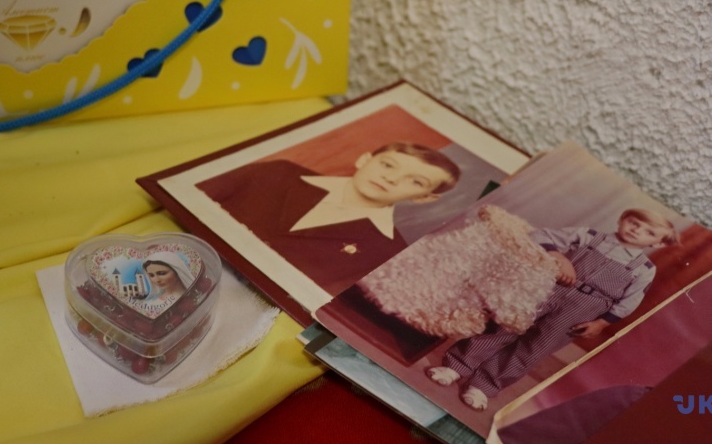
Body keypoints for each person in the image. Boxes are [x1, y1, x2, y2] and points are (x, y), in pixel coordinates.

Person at [426, 208, 679, 411]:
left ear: (658, 243)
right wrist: (559, 257)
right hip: (549, 287)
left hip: (584, 308)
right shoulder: (590, 236)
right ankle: (456, 366)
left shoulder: (644, 269)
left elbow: (630, 301)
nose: (637, 230)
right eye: (634, 222)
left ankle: (484, 385)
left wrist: (602, 322)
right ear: (622, 219)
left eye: (648, 232)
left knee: (535, 348)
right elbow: (541, 235)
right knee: (504, 328)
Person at [196, 142, 461, 296]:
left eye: (416, 181)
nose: (391, 178)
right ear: (364, 159)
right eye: (388, 165)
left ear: (425, 198)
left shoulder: (387, 254)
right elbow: (192, 200)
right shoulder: (280, 172)